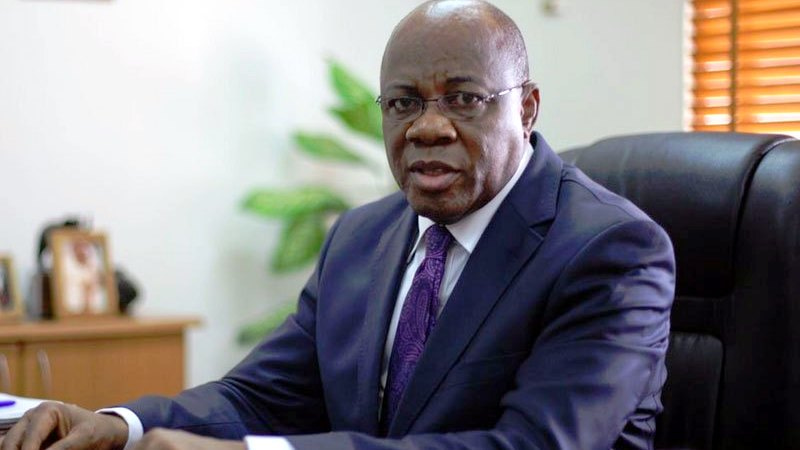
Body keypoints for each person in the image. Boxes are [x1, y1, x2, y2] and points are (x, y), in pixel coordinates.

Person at [0, 1, 675, 449]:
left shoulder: (611, 251)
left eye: (464, 99)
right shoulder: (361, 239)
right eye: (402, 103)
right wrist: (120, 425)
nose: (428, 127)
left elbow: (529, 446)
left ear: (526, 109)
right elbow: (260, 397)